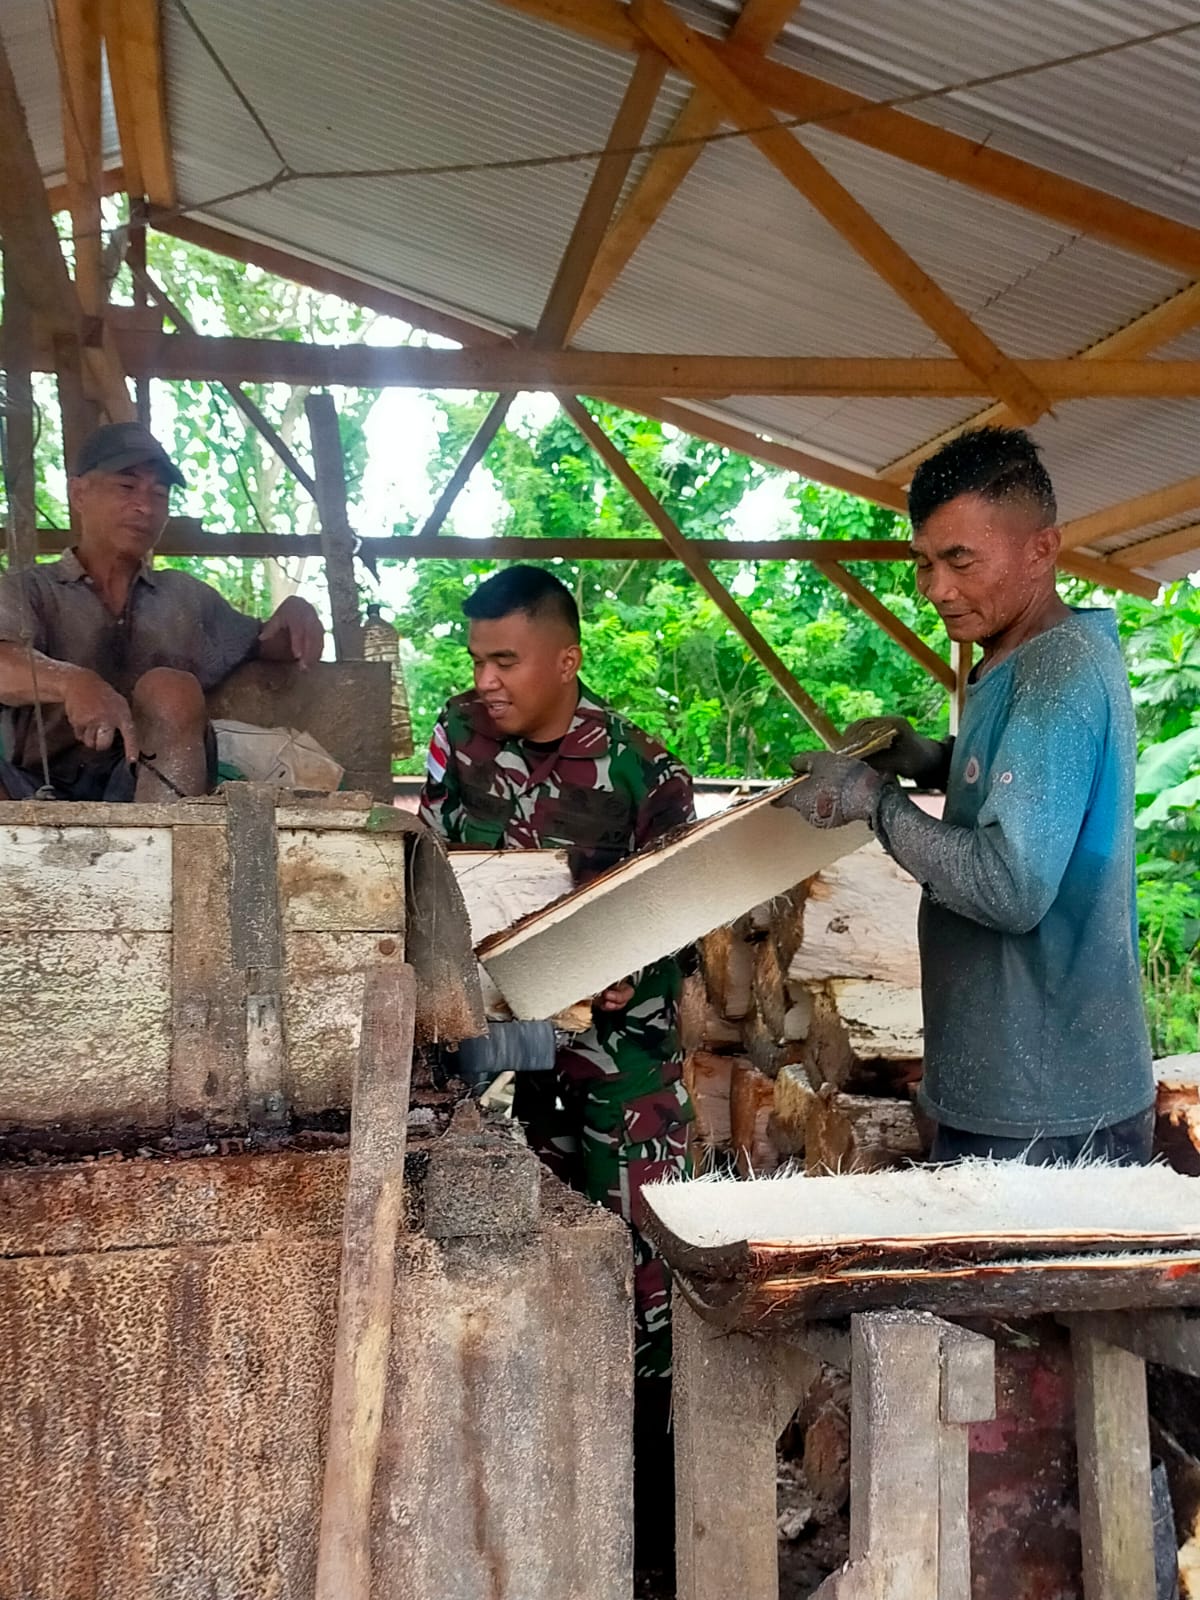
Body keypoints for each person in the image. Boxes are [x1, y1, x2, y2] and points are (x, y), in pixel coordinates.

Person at [777, 426, 1154, 1165]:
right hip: (1015, 1080)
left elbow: (1010, 886)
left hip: (1045, 1106)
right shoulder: (1020, 655)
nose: (936, 589)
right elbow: (1039, 786)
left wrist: (873, 801)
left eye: (960, 560)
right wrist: (932, 759)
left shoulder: (1057, 679)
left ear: (1042, 550)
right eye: (923, 562)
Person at [418, 563, 695, 1568]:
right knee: (499, 1257)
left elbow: (680, 919)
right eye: (476, 657)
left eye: (506, 658)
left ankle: (652, 1534)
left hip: (614, 1057)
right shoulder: (459, 738)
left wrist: (620, 972)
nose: (485, 678)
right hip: (500, 1050)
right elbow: (436, 865)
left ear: (565, 659)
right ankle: (520, 1512)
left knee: (647, 1275)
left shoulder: (641, 770)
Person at [0, 422, 324, 802]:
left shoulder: (185, 598)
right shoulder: (30, 589)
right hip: (32, 791)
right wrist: (72, 683)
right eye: (127, 486)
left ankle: (171, 849)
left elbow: (270, 643)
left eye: (160, 493)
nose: (145, 506)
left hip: (147, 786)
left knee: (170, 688)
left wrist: (297, 612)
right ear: (79, 493)